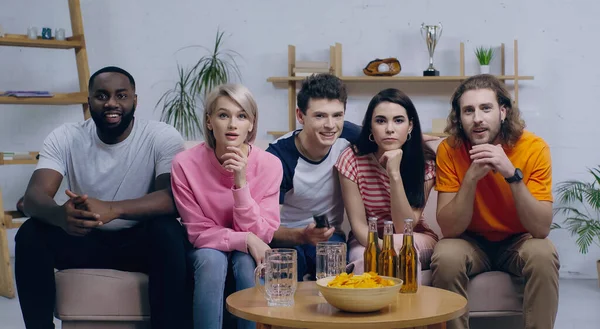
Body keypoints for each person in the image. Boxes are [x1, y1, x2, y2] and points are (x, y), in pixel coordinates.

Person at [15, 66, 190, 329]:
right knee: (30, 233)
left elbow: (171, 198)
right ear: (89, 102)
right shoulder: (65, 136)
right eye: (102, 95)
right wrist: (60, 215)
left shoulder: (160, 136)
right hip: (83, 238)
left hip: (138, 241)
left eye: (121, 96)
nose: (111, 103)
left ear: (135, 101)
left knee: (167, 231)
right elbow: (33, 197)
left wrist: (112, 209)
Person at [431, 74, 560, 329]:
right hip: (470, 240)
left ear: (503, 112)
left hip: (517, 240)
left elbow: (541, 229)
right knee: (446, 256)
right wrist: (470, 179)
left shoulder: (534, 148)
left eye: (485, 108)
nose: (477, 118)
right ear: (459, 117)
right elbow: (449, 229)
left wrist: (511, 174)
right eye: (468, 110)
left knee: (544, 254)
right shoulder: (450, 149)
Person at [171, 84, 283, 329]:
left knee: (245, 261)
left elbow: (263, 234)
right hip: (206, 249)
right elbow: (197, 231)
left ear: (251, 123)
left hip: (246, 253)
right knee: (212, 260)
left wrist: (240, 182)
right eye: (224, 115)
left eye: (241, 116)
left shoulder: (270, 165)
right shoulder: (184, 164)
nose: (233, 124)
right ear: (209, 121)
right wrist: (247, 240)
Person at [266, 74, 360, 280]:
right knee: (285, 269)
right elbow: (265, 228)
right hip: (286, 237)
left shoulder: (348, 135)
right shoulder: (278, 157)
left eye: (337, 115)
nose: (330, 125)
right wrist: (302, 236)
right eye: (320, 116)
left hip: (329, 237)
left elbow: (392, 137)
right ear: (301, 116)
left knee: (336, 277)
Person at [335, 88, 439, 274]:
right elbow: (358, 225)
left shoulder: (426, 162)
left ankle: (409, 303)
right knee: (364, 260)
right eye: (381, 121)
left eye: (398, 120)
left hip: (413, 237)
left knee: (401, 247)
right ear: (370, 127)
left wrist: (394, 175)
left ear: (410, 126)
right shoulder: (351, 158)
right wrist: (384, 250)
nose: (389, 129)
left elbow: (403, 227)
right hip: (367, 238)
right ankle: (366, 304)